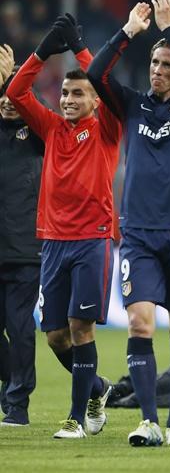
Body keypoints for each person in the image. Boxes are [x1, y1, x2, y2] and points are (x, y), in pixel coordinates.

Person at [87, 0, 170, 446]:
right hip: (137, 234)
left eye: (165, 65)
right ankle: (148, 421)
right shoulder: (133, 106)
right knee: (140, 323)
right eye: (154, 62)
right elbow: (97, 73)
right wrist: (129, 32)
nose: (157, 70)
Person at [6, 15, 122, 438]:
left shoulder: (108, 128)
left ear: (95, 100)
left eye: (79, 93)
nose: (69, 99)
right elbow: (17, 91)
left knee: (79, 328)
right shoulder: (52, 128)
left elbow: (107, 83)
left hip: (92, 240)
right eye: (66, 92)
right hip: (52, 242)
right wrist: (41, 53)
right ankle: (96, 389)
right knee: (55, 336)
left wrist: (80, 46)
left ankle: (76, 418)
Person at [0, 46, 43, 427]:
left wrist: (15, 75)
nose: (10, 101)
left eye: (16, 94)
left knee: (20, 326)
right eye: (4, 94)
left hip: (25, 248)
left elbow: (43, 113)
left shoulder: (36, 134)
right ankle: (9, 385)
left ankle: (17, 405)